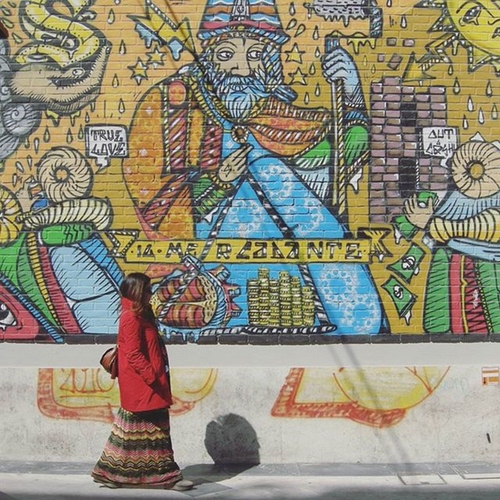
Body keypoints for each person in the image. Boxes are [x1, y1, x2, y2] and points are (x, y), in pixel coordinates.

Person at [124, 0, 385, 337]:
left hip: (291, 283)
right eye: (226, 54)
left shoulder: (275, 115)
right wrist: (219, 181)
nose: (240, 68)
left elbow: (341, 153)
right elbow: (154, 200)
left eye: (255, 54)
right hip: (208, 276)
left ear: (271, 61)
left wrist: (352, 96)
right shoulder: (174, 106)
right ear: (208, 56)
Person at [91, 272, 193, 490]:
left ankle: (110, 473)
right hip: (143, 384)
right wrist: (152, 377)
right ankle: (167, 477)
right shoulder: (130, 318)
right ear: (137, 292)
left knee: (131, 434)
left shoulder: (141, 314)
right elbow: (133, 353)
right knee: (155, 433)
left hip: (147, 383)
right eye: (147, 290)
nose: (151, 294)